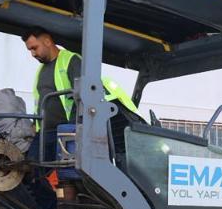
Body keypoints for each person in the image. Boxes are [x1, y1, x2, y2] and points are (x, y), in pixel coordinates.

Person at [21, 27, 142, 160]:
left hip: (66, 130)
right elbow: (39, 102)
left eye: (34, 48)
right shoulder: (41, 70)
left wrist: (74, 129)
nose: (32, 54)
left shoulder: (71, 61)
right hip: (45, 132)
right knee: (31, 165)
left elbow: (83, 96)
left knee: (62, 169)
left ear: (47, 41)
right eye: (30, 50)